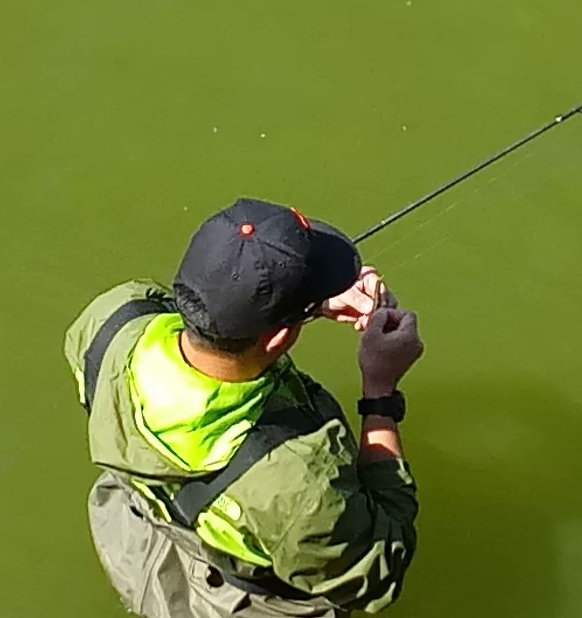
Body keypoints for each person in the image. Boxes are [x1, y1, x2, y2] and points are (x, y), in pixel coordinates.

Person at [63, 197, 424, 618]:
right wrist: (380, 390)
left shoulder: (112, 317)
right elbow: (379, 571)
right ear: (276, 339)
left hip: (133, 535)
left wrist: (309, 303)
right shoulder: (296, 485)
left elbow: (213, 314)